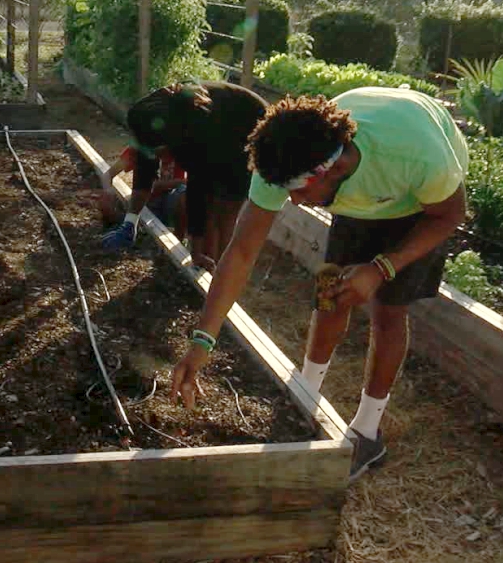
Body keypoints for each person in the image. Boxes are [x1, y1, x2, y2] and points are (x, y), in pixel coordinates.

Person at [169, 87, 468, 481]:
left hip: (417, 206)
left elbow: (450, 215)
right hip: (361, 195)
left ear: (332, 170)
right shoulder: (286, 159)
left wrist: (381, 268)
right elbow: (240, 252)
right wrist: (202, 340)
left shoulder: (418, 159)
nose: (291, 202)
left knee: (388, 311)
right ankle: (305, 395)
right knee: (330, 295)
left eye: (299, 192)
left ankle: (367, 432)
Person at [100, 82, 268, 270]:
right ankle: (207, 266)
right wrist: (130, 223)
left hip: (247, 128)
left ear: (169, 143)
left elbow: (198, 189)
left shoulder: (192, 135)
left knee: (224, 209)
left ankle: (221, 273)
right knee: (208, 214)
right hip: (215, 127)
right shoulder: (146, 118)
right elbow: (145, 171)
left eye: (157, 151)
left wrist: (196, 251)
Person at [97, 144, 188, 241]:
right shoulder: (139, 149)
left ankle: (179, 240)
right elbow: (108, 175)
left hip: (170, 204)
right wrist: (108, 192)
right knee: (118, 218)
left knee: (185, 194)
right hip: (146, 205)